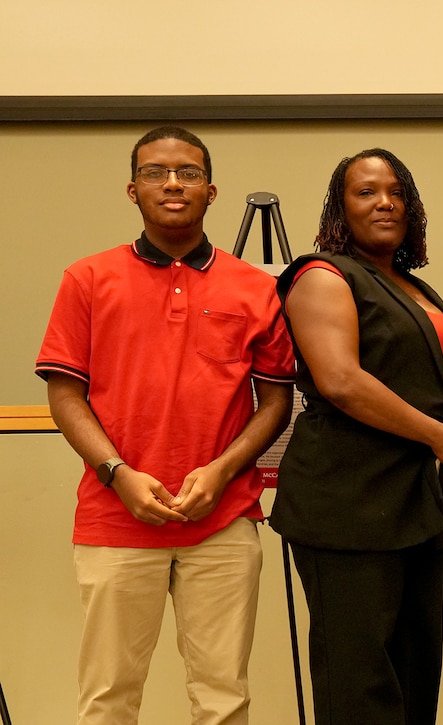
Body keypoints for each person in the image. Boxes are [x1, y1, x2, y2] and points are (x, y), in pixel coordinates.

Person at [35, 126, 296, 724]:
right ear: (133, 190)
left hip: (223, 520)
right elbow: (65, 395)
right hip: (114, 518)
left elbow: (275, 402)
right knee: (108, 699)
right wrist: (118, 473)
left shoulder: (257, 288)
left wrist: (223, 470)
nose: (173, 183)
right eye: (155, 172)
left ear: (211, 190)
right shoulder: (87, 279)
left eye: (188, 172)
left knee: (224, 696)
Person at [270, 148, 443, 724]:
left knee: (415, 670)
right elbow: (340, 381)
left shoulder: (413, 287)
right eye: (366, 192)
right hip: (346, 503)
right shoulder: (322, 276)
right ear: (341, 210)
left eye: (396, 192)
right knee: (359, 681)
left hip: (415, 504)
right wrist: (441, 437)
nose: (385, 201)